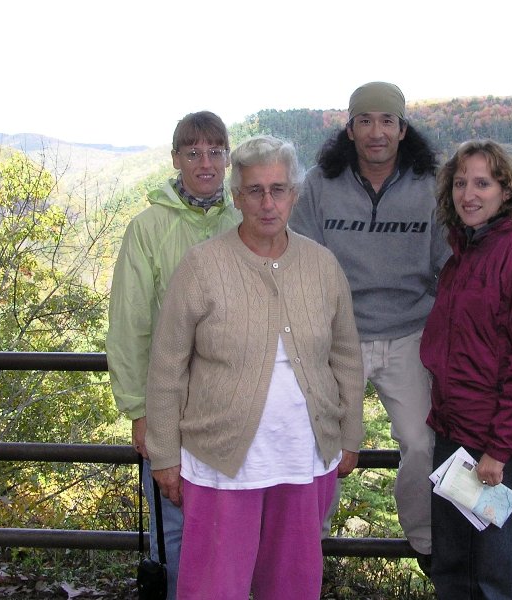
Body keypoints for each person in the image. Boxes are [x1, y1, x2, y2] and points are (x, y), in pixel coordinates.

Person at [144, 135, 365, 599]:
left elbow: (346, 355)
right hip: (223, 459)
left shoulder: (322, 266)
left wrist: (350, 437)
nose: (268, 203)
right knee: (213, 587)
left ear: (294, 194)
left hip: (305, 457)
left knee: (292, 585)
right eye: (255, 190)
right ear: (237, 196)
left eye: (279, 189)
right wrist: (164, 454)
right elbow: (168, 365)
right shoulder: (203, 266)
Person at [289, 81, 449, 568]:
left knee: (422, 443)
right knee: (321, 442)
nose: (375, 132)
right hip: (340, 335)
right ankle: (306, 547)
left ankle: (425, 542)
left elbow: (449, 264)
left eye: (386, 121)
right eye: (365, 121)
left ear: (403, 129)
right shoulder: (320, 183)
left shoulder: (433, 183)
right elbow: (302, 258)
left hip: (410, 331)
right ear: (350, 128)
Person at [106, 111, 241, 599]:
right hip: (171, 408)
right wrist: (139, 412)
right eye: (193, 152)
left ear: (227, 158)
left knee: (235, 529)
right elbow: (129, 325)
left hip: (237, 407)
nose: (205, 163)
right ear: (175, 159)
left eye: (215, 152)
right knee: (175, 527)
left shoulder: (247, 219)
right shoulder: (147, 228)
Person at [419, 140, 512, 598]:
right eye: (460, 183)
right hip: (456, 442)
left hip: (504, 451)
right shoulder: (464, 254)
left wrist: (499, 452)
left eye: (482, 183)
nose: (469, 194)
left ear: (507, 191)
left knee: (500, 578)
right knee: (456, 573)